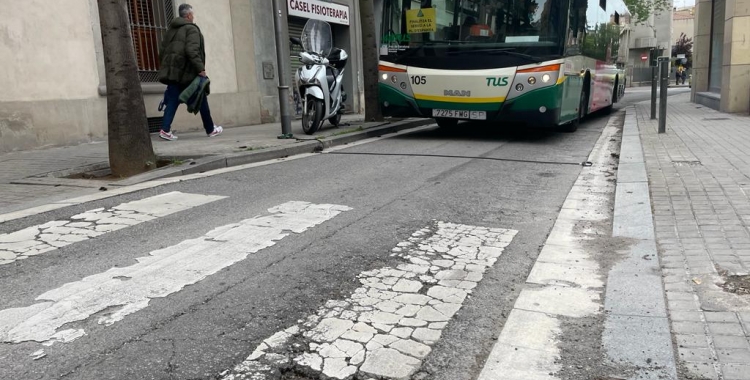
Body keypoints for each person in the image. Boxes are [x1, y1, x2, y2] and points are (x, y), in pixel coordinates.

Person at [157, 3, 222, 141]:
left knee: (173, 100)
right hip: (187, 73)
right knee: (201, 97)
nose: (193, 16)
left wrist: (169, 67)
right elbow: (192, 51)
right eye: (192, 14)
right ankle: (210, 129)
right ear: (188, 15)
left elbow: (162, 51)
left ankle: (165, 130)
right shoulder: (191, 29)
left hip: (174, 73)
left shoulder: (171, 30)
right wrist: (200, 69)